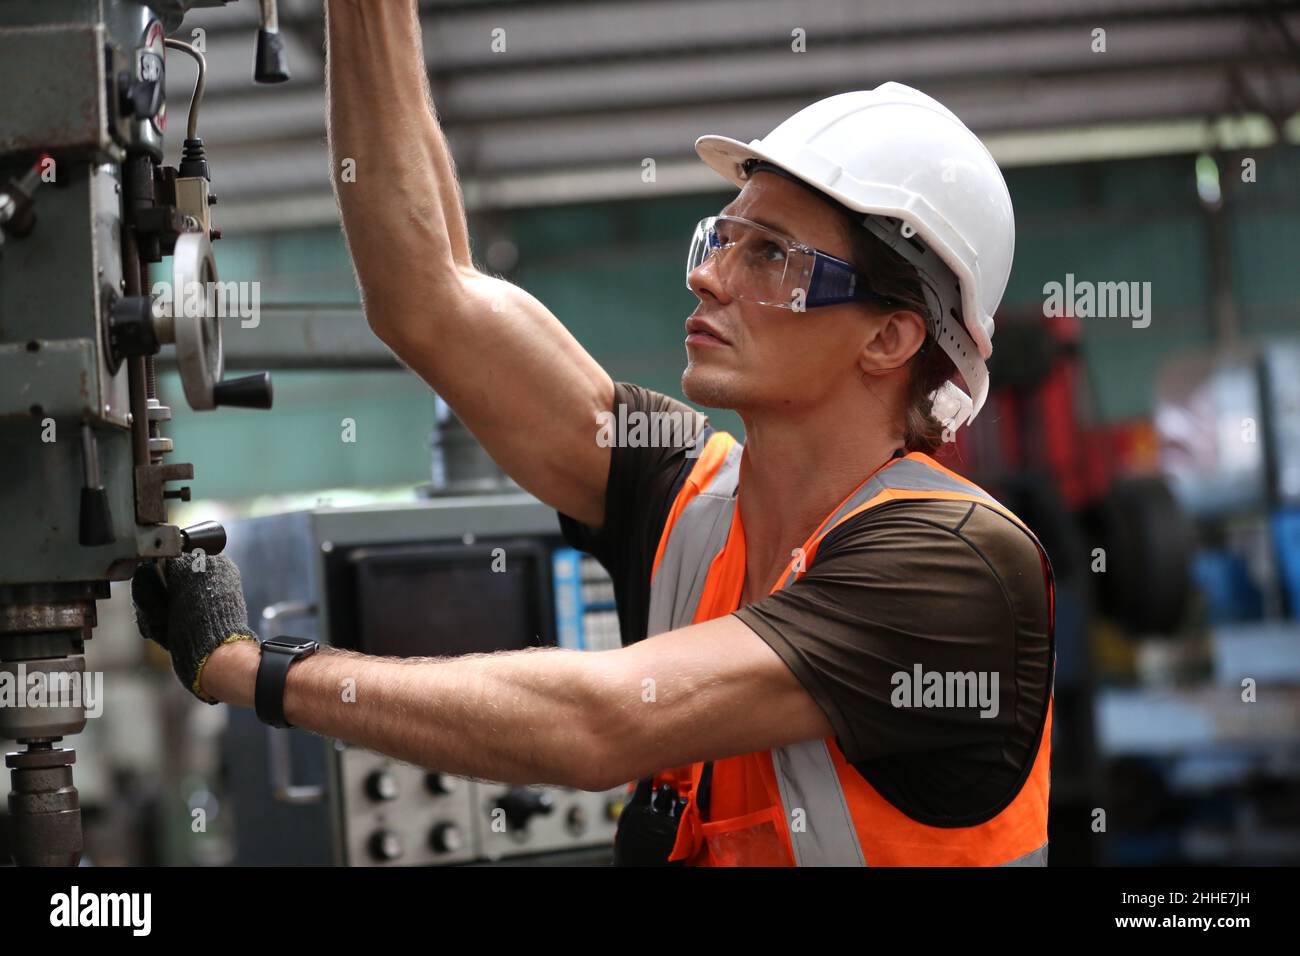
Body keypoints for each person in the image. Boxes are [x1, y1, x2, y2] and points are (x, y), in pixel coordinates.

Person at [132, 2, 1053, 866]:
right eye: (719, 239)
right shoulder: (693, 498)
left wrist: (249, 669)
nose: (709, 278)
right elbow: (431, 297)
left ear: (890, 336)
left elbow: (599, 724)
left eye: (771, 255)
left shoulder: (951, 564)